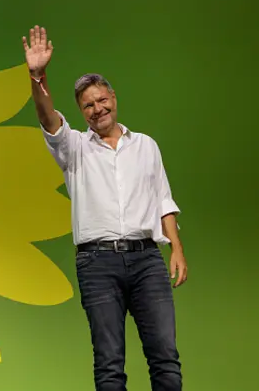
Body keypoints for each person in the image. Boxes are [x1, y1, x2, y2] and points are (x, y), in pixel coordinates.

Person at [22, 26, 188, 391]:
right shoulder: (74, 147)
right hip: (97, 264)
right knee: (110, 365)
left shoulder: (146, 145)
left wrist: (175, 248)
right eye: (88, 105)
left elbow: (163, 199)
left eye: (101, 100)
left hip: (147, 260)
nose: (97, 109)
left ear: (113, 97)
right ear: (81, 112)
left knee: (166, 360)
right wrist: (38, 76)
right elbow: (47, 116)